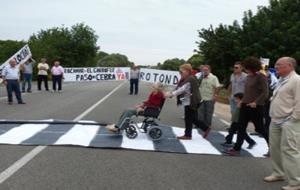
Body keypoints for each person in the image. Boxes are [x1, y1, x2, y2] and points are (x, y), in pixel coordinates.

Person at [264, 57, 300, 190]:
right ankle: (278, 173)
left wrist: (293, 120)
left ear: (289, 66)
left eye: (279, 65)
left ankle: (296, 182)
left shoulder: (297, 80)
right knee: (275, 149)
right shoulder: (281, 80)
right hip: (276, 119)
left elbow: (299, 103)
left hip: (289, 121)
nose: (276, 67)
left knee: (290, 151)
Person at [225, 57, 269, 156]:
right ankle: (236, 149)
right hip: (245, 105)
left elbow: (265, 92)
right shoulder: (248, 77)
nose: (246, 69)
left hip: (256, 107)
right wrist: (242, 101)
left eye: (247, 67)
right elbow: (247, 92)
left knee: (260, 129)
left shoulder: (261, 77)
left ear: (252, 67)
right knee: (241, 127)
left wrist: (256, 102)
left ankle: (272, 147)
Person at [164, 63, 210, 140]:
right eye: (180, 72)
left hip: (192, 102)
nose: (180, 73)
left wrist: (171, 94)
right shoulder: (186, 79)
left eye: (181, 71)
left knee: (189, 119)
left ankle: (189, 134)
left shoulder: (190, 79)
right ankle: (204, 129)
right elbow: (178, 88)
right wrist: (171, 93)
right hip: (191, 101)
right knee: (192, 118)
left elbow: (181, 89)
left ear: (187, 71)